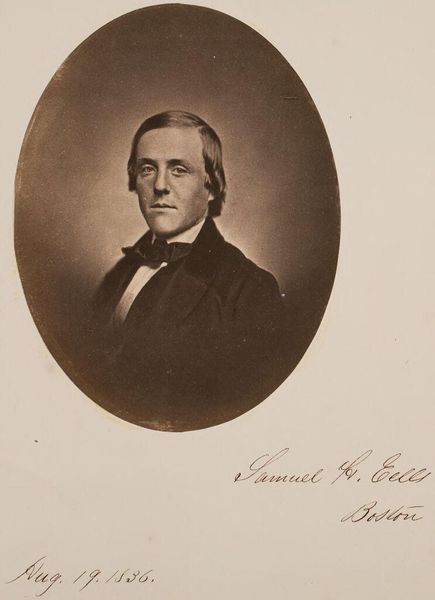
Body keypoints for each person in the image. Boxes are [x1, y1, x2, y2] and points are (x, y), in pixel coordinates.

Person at [90, 111, 290, 431]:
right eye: (147, 168)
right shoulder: (119, 273)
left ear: (211, 186)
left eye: (179, 170)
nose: (159, 186)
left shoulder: (249, 290)